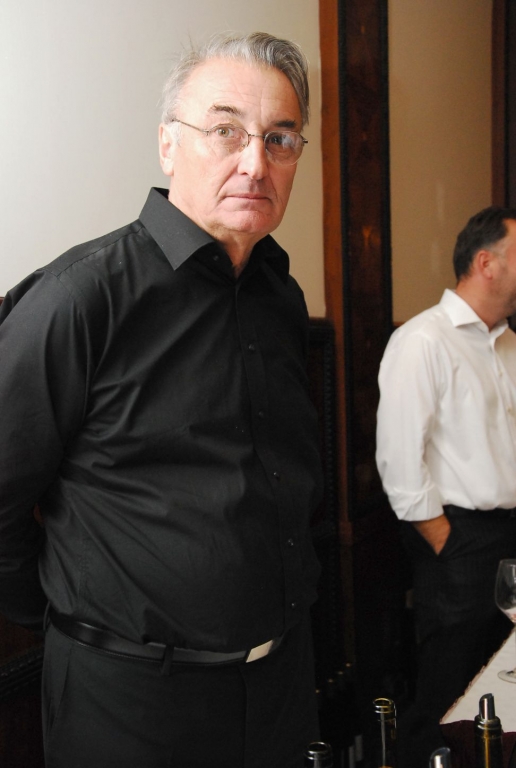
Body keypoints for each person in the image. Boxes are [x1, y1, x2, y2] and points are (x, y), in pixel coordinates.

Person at [0, 32, 324, 768]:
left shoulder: (280, 297)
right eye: (226, 131)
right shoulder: (80, 297)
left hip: (281, 684)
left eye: (280, 138)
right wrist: (76, 615)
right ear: (168, 145)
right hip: (131, 703)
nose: (255, 162)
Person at [376, 206, 516, 767]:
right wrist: (447, 542)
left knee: (502, 694)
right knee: (446, 699)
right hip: (460, 543)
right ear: (486, 262)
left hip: (509, 538)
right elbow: (399, 461)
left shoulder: (509, 345)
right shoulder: (422, 340)